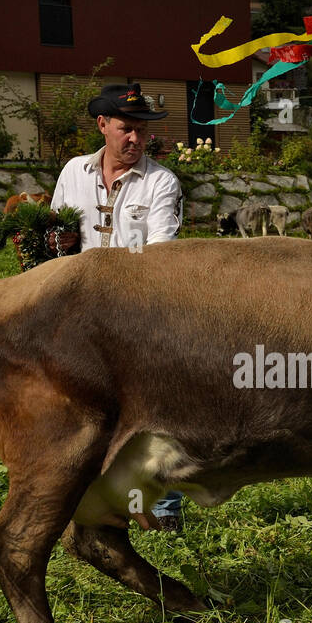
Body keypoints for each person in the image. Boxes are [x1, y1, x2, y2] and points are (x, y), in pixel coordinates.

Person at [50, 82, 187, 531]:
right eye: (127, 129)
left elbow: (162, 257)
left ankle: (163, 507)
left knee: (152, 411)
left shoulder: (161, 181)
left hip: (140, 312)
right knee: (84, 408)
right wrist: (59, 242)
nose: (136, 140)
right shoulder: (73, 172)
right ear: (102, 125)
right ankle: (94, 500)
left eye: (142, 133)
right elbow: (51, 239)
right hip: (80, 312)